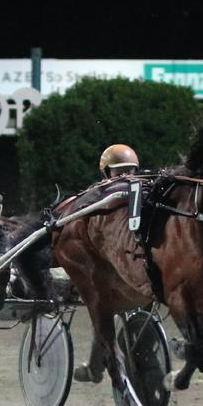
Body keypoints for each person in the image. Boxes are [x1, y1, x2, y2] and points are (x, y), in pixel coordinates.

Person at [72, 144, 142, 384]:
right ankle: (96, 366)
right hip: (107, 263)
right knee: (103, 310)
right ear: (106, 174)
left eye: (129, 171)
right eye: (118, 173)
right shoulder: (98, 193)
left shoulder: (144, 188)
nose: (124, 177)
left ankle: (96, 367)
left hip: (134, 261)